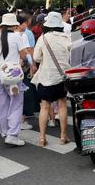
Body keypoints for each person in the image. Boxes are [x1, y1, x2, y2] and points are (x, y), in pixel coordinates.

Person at [0, 13, 31, 147]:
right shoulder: (17, 36)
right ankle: (12, 135)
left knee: (2, 104)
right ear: (14, 25)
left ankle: (5, 132)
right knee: (16, 104)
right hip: (13, 73)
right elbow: (24, 54)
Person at [32, 11, 74, 147]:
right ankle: (63, 136)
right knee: (62, 105)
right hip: (62, 77)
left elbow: (36, 58)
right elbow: (71, 55)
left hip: (46, 77)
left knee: (45, 106)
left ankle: (42, 138)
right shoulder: (66, 37)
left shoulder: (43, 38)